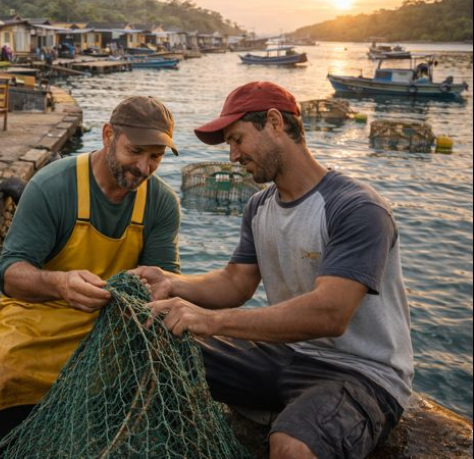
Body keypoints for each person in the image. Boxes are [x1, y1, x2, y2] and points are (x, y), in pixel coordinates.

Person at [134, 81, 413, 459]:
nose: (232, 157)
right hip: (285, 354)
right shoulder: (260, 206)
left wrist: (211, 321)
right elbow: (236, 282)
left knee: (292, 446)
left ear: (275, 122)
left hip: (359, 371)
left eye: (237, 139)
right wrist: (172, 283)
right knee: (151, 343)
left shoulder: (356, 208)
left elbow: (331, 313)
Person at [0, 96, 182, 458]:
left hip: (107, 329)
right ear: (108, 135)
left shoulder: (161, 203)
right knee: (1, 381)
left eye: (155, 157)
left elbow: (164, 283)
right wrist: (60, 283)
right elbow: (10, 273)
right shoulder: (53, 187)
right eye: (135, 151)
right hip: (37, 317)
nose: (143, 167)